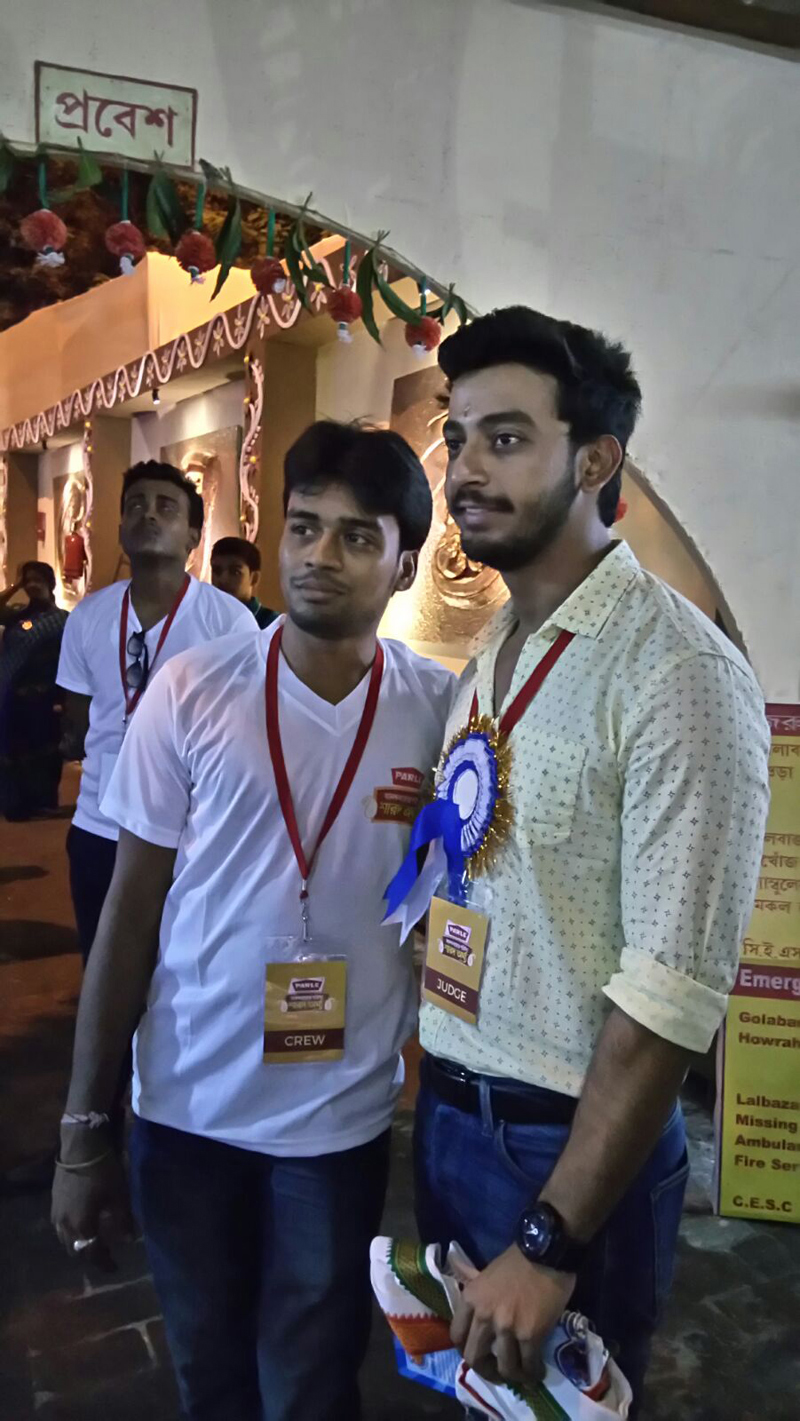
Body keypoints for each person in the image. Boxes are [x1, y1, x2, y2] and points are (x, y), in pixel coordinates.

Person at [51, 421, 455, 1421]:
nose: (320, 554)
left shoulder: (437, 711)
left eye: (356, 536)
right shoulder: (195, 689)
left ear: (404, 565)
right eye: (304, 526)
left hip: (336, 1120)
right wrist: (83, 1129)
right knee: (211, 1375)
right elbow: (128, 916)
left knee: (312, 1379)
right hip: (188, 1107)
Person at [409, 307, 771, 1413]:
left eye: (507, 438)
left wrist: (550, 1236)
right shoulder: (491, 652)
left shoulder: (676, 671)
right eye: (458, 437)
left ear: (595, 459)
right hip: (450, 1114)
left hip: (563, 1154)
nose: (466, 469)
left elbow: (668, 997)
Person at [57, 460, 255, 963]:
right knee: (103, 961)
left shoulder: (228, 622)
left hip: (191, 832)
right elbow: (79, 719)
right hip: (100, 824)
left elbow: (244, 734)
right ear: (120, 529)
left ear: (193, 535)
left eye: (166, 507)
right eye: (135, 506)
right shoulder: (88, 616)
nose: (148, 514)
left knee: (180, 971)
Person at [0, 562, 68, 820]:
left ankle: (42, 802)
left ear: (50, 584)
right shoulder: (18, 615)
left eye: (38, 580)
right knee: (12, 749)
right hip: (11, 694)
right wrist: (15, 585)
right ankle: (14, 803)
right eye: (28, 581)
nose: (32, 586)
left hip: (43, 695)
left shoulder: (62, 619)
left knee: (42, 750)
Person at [211, 534, 277, 628]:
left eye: (235, 572)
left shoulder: (272, 625)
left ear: (254, 578)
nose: (223, 579)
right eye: (217, 570)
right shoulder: (204, 619)